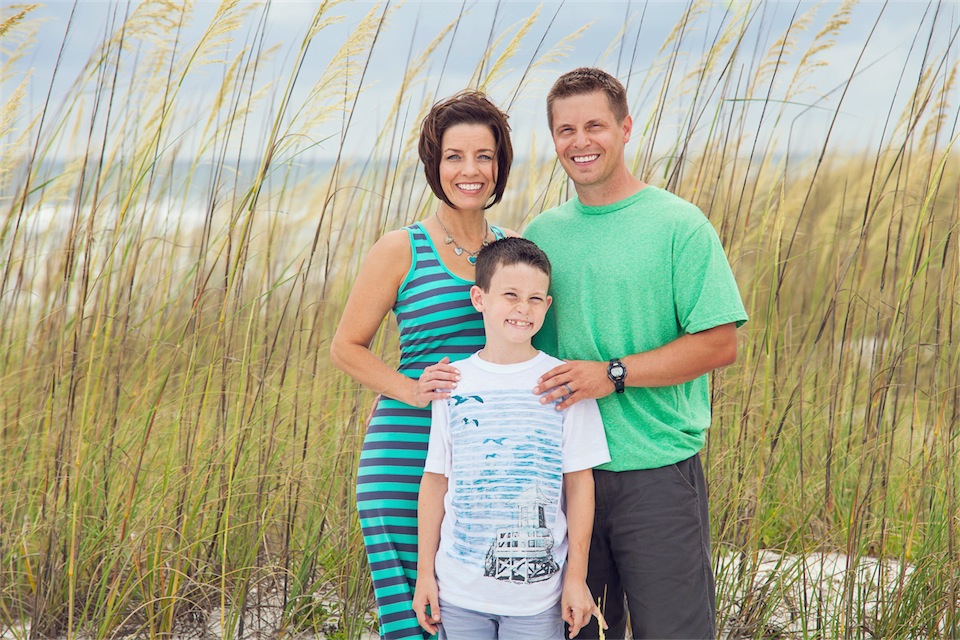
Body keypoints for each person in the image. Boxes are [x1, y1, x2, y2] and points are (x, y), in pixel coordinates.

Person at [523, 67, 749, 639]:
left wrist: (614, 374)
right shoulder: (541, 234)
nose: (580, 141)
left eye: (595, 125)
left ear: (625, 128)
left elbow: (721, 342)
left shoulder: (678, 225)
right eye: (566, 129)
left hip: (657, 476)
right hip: (569, 477)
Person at [330, 91, 517, 640]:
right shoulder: (402, 247)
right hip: (405, 455)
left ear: (500, 164)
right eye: (454, 156)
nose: (470, 170)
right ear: (434, 165)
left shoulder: (513, 250)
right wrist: (411, 390)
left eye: (484, 156)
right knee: (416, 621)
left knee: (477, 613)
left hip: (486, 459)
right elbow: (346, 346)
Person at [412, 237, 610, 639]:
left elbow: (579, 485)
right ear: (479, 298)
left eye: (535, 298)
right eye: (510, 295)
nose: (523, 308)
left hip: (536, 601)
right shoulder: (453, 382)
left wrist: (576, 577)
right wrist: (424, 575)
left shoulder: (563, 383)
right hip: (458, 592)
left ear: (548, 306)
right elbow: (436, 481)